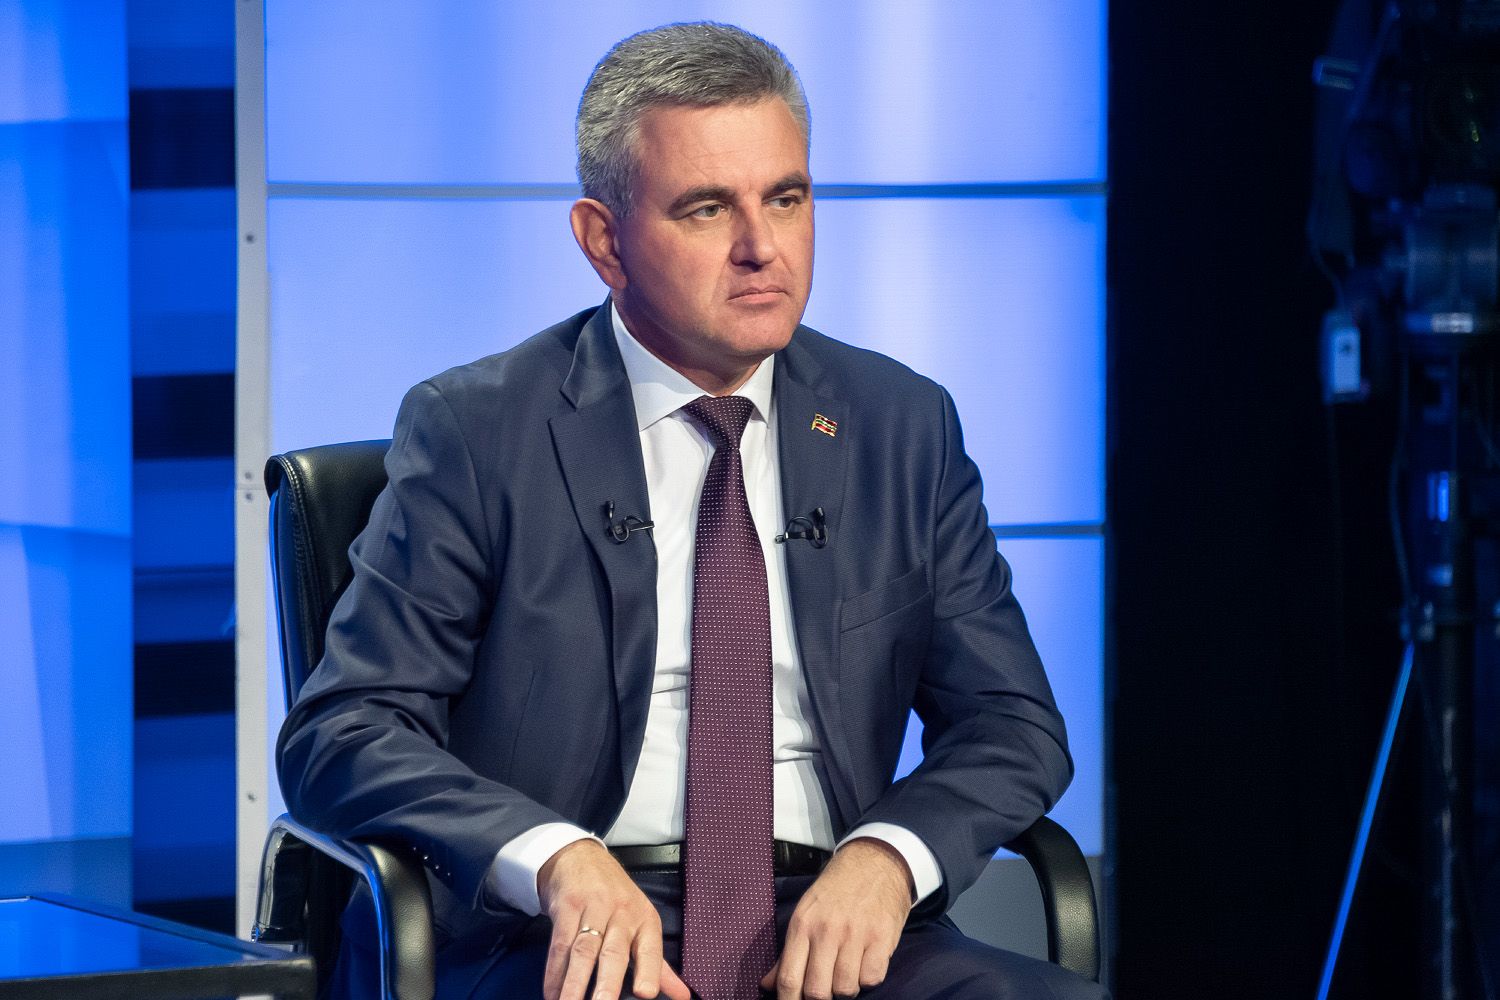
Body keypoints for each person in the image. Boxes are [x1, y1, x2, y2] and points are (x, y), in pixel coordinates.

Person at [277, 21, 1106, 1000]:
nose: (762, 247)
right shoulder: (478, 430)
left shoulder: (900, 425)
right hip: (559, 936)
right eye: (708, 209)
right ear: (604, 241)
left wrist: (889, 857)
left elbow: (1012, 723)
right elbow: (344, 730)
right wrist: (551, 855)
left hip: (834, 922)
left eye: (786, 198)